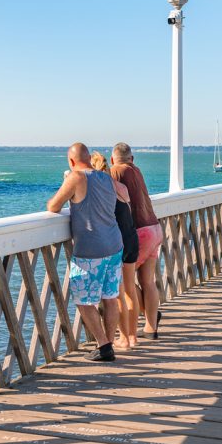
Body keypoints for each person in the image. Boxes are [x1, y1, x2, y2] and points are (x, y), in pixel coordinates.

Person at [47, 143, 123, 361]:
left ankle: (104, 344)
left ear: (71, 162)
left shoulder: (76, 178)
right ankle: (108, 347)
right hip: (114, 245)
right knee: (110, 297)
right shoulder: (106, 178)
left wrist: (66, 184)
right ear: (90, 158)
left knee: (83, 300)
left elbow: (53, 206)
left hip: (92, 249)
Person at [110, 142, 163, 339]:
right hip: (155, 228)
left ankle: (128, 335)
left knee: (127, 284)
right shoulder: (137, 170)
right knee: (148, 281)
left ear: (112, 159)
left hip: (139, 231)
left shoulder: (115, 171)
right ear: (132, 159)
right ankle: (151, 326)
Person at [90, 151, 139, 349]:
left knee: (118, 295)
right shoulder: (120, 187)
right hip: (132, 237)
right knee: (129, 292)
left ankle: (124, 338)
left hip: (117, 242)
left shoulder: (102, 188)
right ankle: (132, 336)